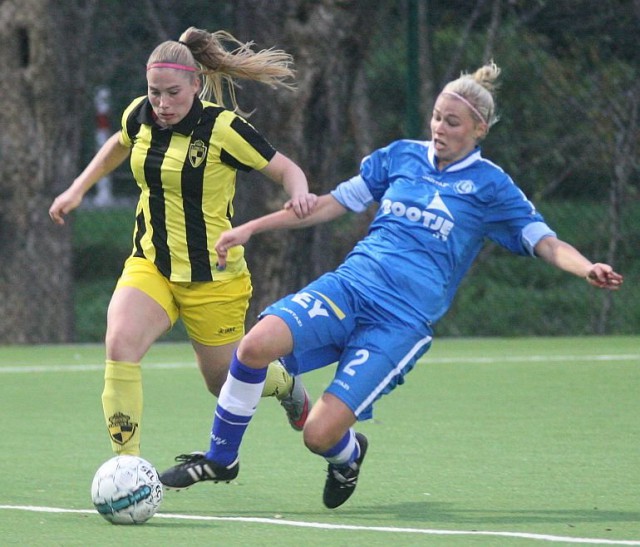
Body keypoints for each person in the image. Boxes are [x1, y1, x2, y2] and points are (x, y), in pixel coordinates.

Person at [158, 62, 624, 508]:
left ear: (479, 130)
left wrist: (585, 267)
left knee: (318, 435)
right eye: (438, 118)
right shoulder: (401, 157)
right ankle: (221, 459)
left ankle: (348, 456)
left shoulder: (491, 187)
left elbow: (543, 242)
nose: (440, 128)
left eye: (454, 123)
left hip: (401, 322)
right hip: (350, 287)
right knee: (255, 345)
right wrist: (251, 229)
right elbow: (332, 203)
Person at [48, 27, 317, 457]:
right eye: (155, 92)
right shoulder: (141, 115)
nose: (162, 104)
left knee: (222, 383)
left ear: (196, 83)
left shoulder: (224, 129)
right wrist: (78, 188)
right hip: (151, 264)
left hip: (213, 276)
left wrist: (299, 192)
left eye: (173, 93)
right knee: (120, 344)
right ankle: (127, 466)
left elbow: (286, 169)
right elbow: (119, 144)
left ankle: (285, 384)